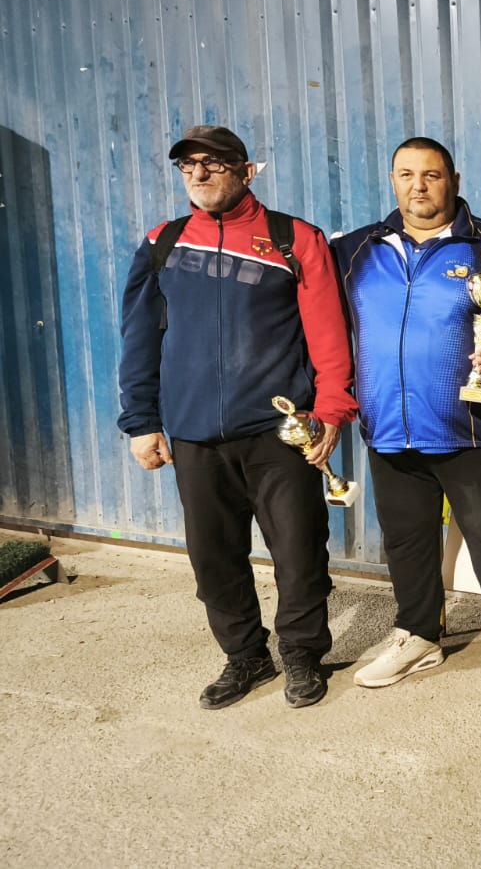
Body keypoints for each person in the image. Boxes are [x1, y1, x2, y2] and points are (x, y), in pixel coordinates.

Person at [118, 125, 356, 710]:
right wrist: (141, 421)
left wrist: (330, 411)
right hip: (194, 435)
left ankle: (301, 653)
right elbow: (140, 338)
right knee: (213, 559)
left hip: (278, 435)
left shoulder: (293, 239)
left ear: (248, 171)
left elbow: (328, 335)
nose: (198, 174)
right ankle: (246, 655)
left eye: (214, 163)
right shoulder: (164, 243)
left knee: (300, 553)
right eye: (187, 165)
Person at [333, 137, 481, 696]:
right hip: (388, 425)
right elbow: (319, 321)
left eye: (431, 175)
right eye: (406, 174)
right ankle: (417, 635)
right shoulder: (357, 251)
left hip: (470, 427)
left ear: (453, 180)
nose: (418, 186)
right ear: (392, 180)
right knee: (406, 539)